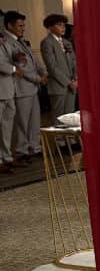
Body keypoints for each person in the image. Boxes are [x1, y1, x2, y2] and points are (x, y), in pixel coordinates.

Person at [3, 11, 47, 161]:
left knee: (35, 120)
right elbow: (21, 68)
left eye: (23, 25)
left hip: (33, 87)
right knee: (22, 122)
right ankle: (22, 149)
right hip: (21, 87)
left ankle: (34, 147)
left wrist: (44, 72)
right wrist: (37, 78)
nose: (23, 28)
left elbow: (34, 60)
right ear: (9, 25)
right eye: (20, 26)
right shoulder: (7, 41)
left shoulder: (22, 41)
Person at [40, 14, 77, 123]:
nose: (63, 28)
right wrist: (68, 82)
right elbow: (52, 67)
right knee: (59, 117)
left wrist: (75, 79)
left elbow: (74, 62)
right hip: (58, 86)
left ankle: (70, 140)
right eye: (59, 25)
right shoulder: (47, 42)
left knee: (70, 117)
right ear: (50, 27)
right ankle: (59, 141)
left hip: (72, 86)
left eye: (64, 25)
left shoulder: (67, 42)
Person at [0, 28, 20, 173]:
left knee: (7, 127)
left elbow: (11, 56)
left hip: (8, 90)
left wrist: (18, 57)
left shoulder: (4, 40)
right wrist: (14, 69)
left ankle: (6, 156)